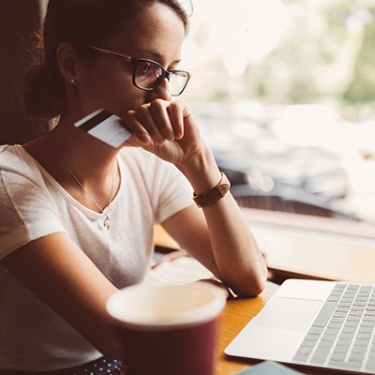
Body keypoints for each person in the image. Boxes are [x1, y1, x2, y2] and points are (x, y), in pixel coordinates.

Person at [0, 0, 268, 374]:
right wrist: (202, 293)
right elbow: (124, 336)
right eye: (146, 68)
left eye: (170, 74)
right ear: (71, 64)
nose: (163, 97)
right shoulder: (11, 183)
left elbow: (250, 277)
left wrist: (198, 163)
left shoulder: (144, 164)